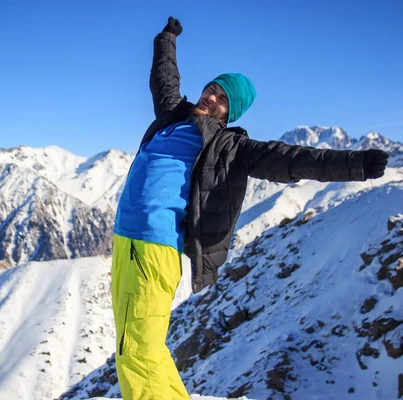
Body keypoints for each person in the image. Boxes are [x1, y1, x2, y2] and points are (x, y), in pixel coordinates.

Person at [110, 16, 389, 400]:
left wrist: (356, 164)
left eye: (222, 98)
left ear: (230, 112)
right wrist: (167, 37)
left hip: (153, 248)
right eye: (211, 89)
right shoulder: (174, 114)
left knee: (135, 352)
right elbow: (164, 77)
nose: (211, 97)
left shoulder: (229, 148)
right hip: (126, 242)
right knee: (140, 345)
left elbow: (294, 159)